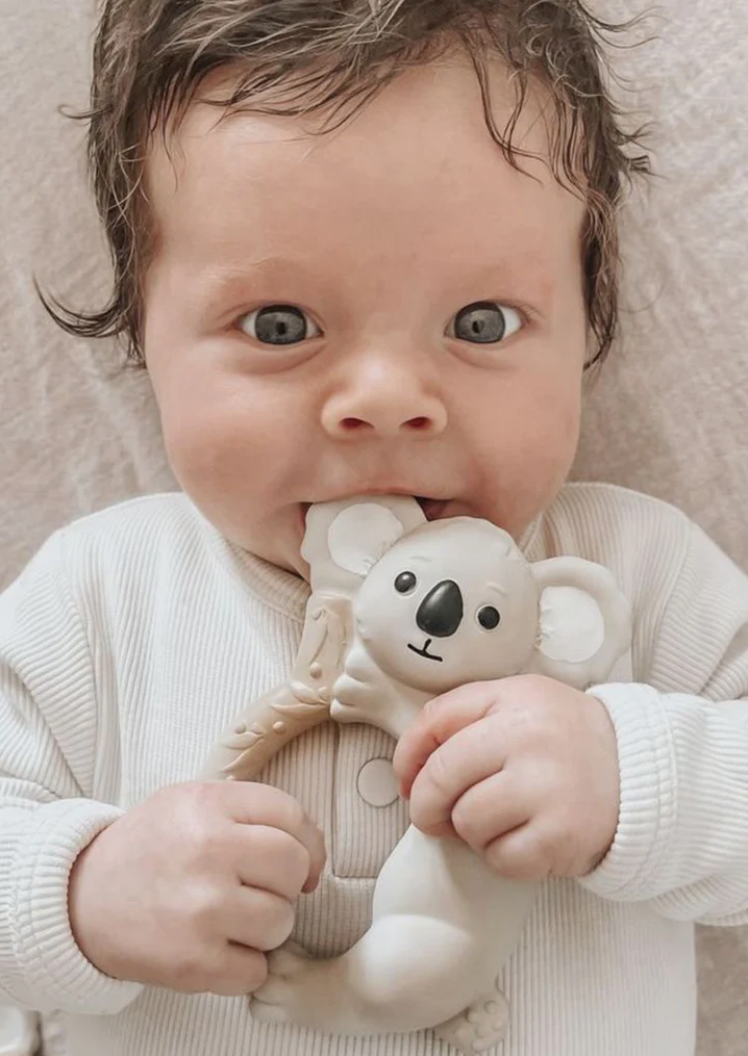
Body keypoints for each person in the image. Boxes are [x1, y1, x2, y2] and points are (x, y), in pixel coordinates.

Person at [1, 1, 747, 1054]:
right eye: (279, 326)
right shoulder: (102, 594)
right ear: (143, 333)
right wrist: (76, 889)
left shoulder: (638, 573)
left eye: (479, 323)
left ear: (589, 321)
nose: (390, 400)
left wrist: (639, 781)